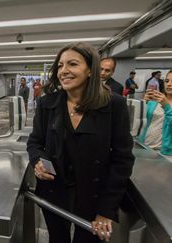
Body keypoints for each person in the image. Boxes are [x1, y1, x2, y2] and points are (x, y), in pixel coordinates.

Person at [26, 42, 134, 243]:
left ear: (90, 70)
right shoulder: (47, 103)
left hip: (94, 198)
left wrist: (106, 210)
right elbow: (35, 142)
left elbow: (123, 159)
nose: (63, 71)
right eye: (60, 65)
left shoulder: (114, 105)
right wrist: (38, 161)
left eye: (72, 64)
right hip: (54, 194)